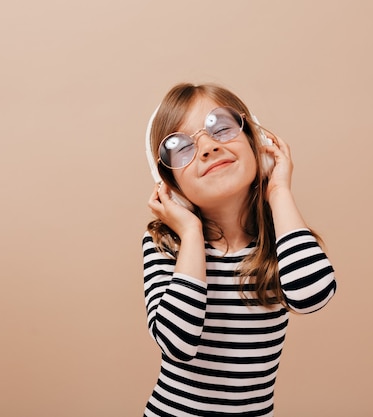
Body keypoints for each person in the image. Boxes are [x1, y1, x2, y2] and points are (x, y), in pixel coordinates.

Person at [142, 82, 337, 416]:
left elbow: (313, 294)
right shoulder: (166, 244)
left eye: (221, 128)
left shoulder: (283, 239)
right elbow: (176, 343)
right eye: (180, 146)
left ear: (256, 143)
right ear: (170, 186)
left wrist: (277, 190)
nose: (207, 147)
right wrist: (190, 233)